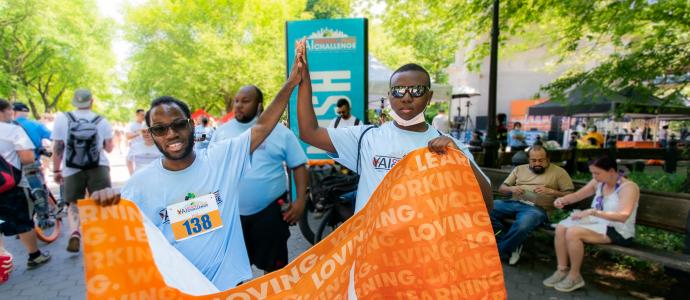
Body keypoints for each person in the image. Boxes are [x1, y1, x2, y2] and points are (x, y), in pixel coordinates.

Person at [90, 40, 307, 291]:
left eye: (179, 124)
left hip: (230, 286)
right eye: (160, 129)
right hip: (180, 290)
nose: (171, 134)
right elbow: (120, 247)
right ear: (151, 134)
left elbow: (262, 127)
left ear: (191, 125)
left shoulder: (221, 159)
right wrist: (103, 202)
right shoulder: (139, 185)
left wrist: (292, 83)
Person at [296, 61, 492, 214]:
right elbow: (309, 132)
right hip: (371, 257)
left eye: (416, 90)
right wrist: (304, 80)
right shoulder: (366, 137)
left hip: (423, 258)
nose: (406, 97)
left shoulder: (449, 146)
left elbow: (485, 204)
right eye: (398, 91)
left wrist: (461, 160)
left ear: (429, 97)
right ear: (390, 96)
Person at [211, 85, 308, 274]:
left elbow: (298, 165)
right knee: (232, 272)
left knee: (275, 272)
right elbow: (212, 170)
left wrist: (300, 201)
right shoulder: (221, 133)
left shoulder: (279, 132)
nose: (238, 105)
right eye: (237, 101)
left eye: (245, 101)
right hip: (232, 215)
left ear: (259, 105)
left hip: (270, 211)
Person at [544, 156, 640, 292]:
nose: (594, 177)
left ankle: (575, 276)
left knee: (573, 232)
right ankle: (562, 270)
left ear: (612, 171)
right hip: (598, 225)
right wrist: (563, 200)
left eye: (597, 173)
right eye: (592, 173)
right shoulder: (598, 182)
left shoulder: (628, 187)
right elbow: (578, 196)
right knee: (561, 227)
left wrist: (592, 212)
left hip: (618, 230)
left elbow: (623, 216)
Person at [51, 89, 114, 253]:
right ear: (91, 101)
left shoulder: (62, 119)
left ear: (74, 102)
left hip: (71, 167)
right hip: (98, 165)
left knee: (74, 203)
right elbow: (109, 148)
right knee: (101, 200)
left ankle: (75, 232)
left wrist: (56, 171)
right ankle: (103, 237)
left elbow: (57, 147)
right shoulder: (101, 120)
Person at [490, 145, 574, 265]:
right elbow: (502, 188)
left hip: (537, 209)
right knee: (485, 209)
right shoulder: (519, 169)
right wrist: (512, 189)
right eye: (533, 160)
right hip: (514, 203)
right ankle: (512, 244)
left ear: (548, 159)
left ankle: (498, 251)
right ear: (528, 160)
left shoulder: (559, 172)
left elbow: (571, 195)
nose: (537, 163)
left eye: (541, 160)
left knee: (523, 226)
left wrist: (552, 192)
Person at [0, 99, 52, 269]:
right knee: (23, 219)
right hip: (11, 184)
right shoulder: (12, 130)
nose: (11, 114)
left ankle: (3, 261)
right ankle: (34, 256)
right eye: (10, 111)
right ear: (3, 111)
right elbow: (27, 158)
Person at [125, 109, 146, 175]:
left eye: (144, 115)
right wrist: (139, 132)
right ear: (137, 115)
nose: (143, 116)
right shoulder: (131, 125)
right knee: (131, 163)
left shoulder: (146, 125)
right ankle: (132, 177)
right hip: (135, 149)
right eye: (142, 115)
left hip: (145, 148)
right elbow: (128, 136)